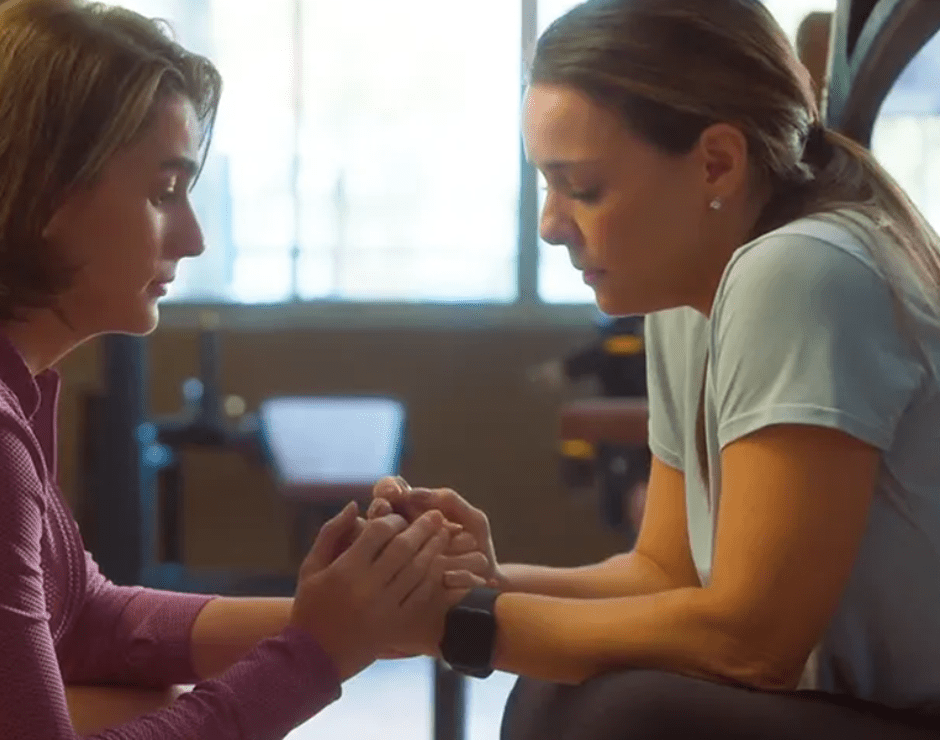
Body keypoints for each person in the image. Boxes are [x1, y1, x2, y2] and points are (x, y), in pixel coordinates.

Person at [0, 1, 488, 738]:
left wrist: (356, 616)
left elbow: (78, 616)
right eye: (163, 191)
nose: (194, 237)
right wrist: (319, 653)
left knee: (142, 696)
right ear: (45, 192)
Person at [372, 0, 940, 737]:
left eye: (583, 187)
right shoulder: (687, 293)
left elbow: (750, 644)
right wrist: (478, 585)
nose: (550, 223)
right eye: (547, 186)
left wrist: (462, 624)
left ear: (717, 162)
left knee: (618, 716)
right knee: (557, 697)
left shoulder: (802, 269)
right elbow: (664, 575)